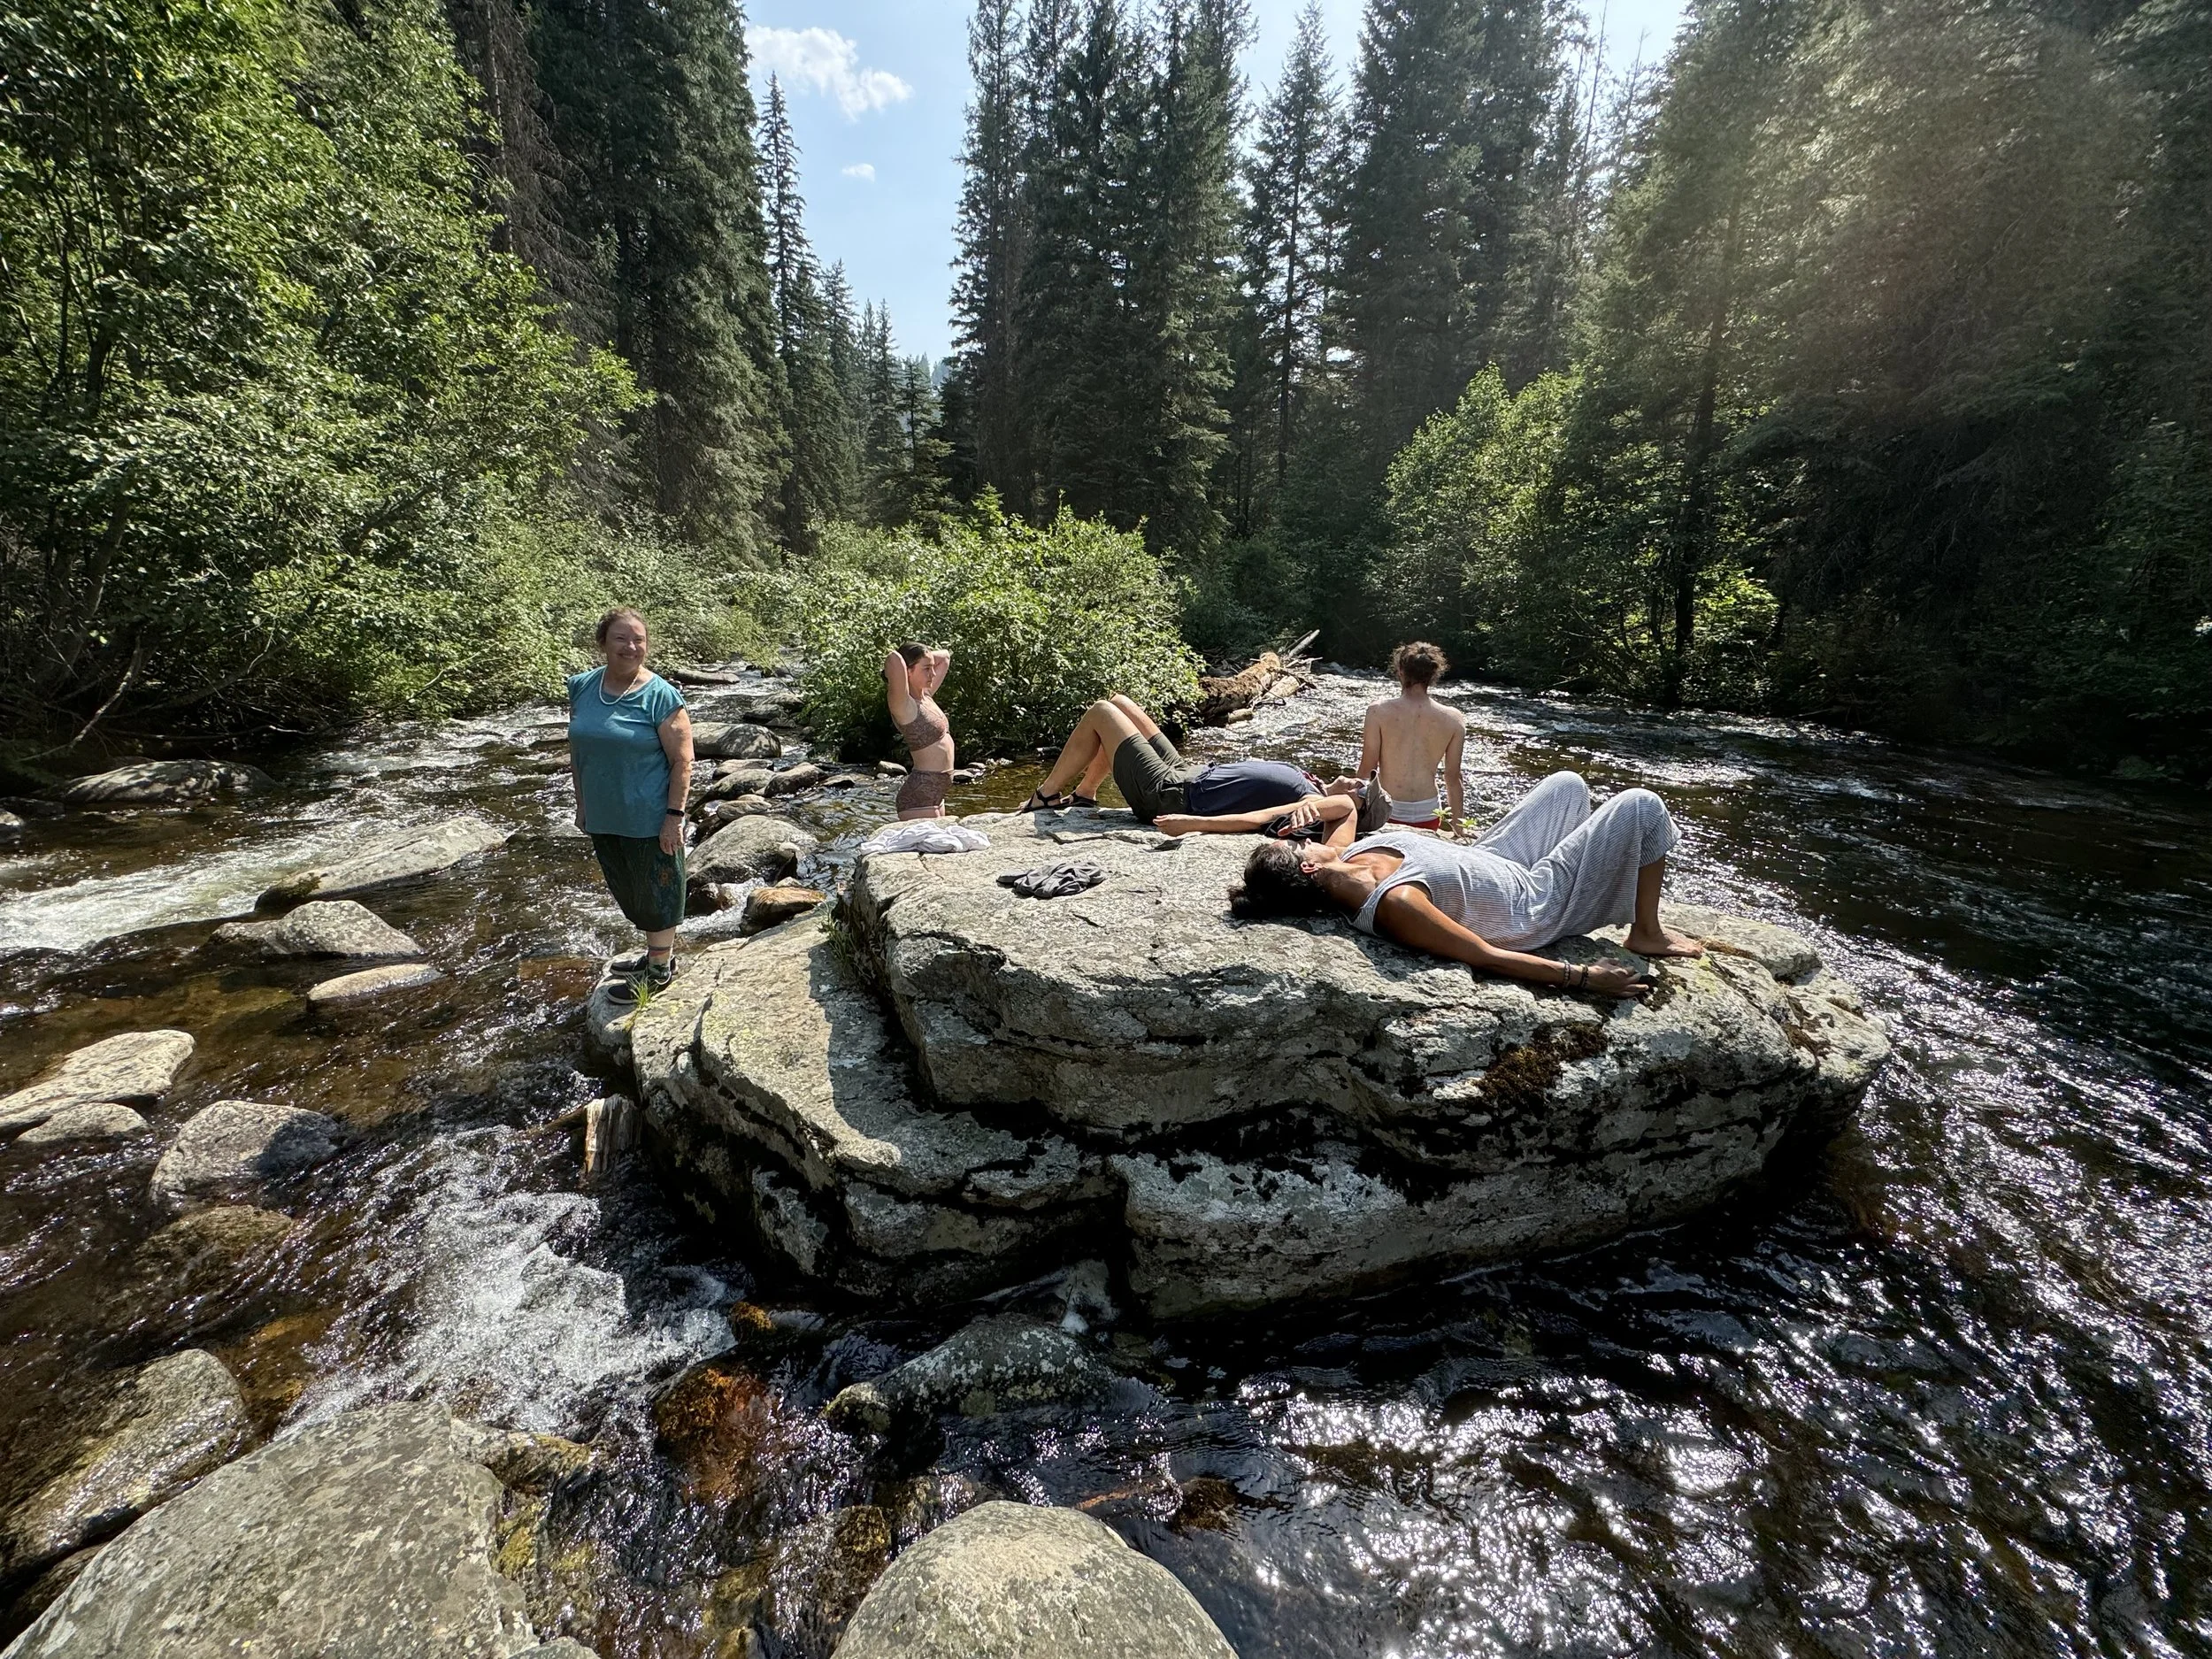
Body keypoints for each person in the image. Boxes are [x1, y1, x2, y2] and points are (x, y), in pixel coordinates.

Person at [1227, 770, 1705, 998]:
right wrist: (1584, 978)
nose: (1310, 841)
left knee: (1568, 785)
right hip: (1533, 901)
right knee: (1641, 803)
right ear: (1309, 870)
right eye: (1301, 846)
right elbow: (1485, 956)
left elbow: (1347, 807)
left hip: (1492, 859)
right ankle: (1647, 931)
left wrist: (1303, 810)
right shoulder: (1395, 902)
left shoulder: (1343, 857)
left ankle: (1596, 865)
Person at [1019, 694, 1391, 835]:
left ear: (1355, 808)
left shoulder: (1310, 808)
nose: (1358, 781)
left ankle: (1047, 795)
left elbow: (1258, 821)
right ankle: (1085, 793)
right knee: (1120, 702)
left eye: (1362, 791)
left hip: (1171, 795)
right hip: (1186, 772)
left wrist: (1194, 824)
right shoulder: (1312, 785)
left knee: (1101, 712)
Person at [569, 608, 693, 1003]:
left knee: (658, 891)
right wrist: (582, 802)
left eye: (639, 639)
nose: (631, 646)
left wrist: (674, 816)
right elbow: (578, 748)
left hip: (648, 814)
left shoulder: (661, 696)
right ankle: (655, 956)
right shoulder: (582, 687)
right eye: (621, 638)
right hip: (605, 811)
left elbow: (683, 760)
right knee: (627, 887)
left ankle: (659, 970)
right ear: (603, 642)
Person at [1359, 641, 1466, 833]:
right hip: (1429, 814)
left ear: (1400, 671)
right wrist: (1459, 827)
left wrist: (1356, 812)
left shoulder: (1377, 711)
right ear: (1433, 675)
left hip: (1386, 812)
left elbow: (1367, 770)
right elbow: (1452, 777)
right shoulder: (1454, 719)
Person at [885, 641, 956, 818]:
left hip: (937, 796)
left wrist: (924, 657)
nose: (933, 673)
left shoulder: (927, 695)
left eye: (932, 667)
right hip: (919, 799)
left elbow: (945, 656)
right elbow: (895, 659)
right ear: (908, 671)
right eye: (926, 669)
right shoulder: (903, 704)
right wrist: (908, 657)